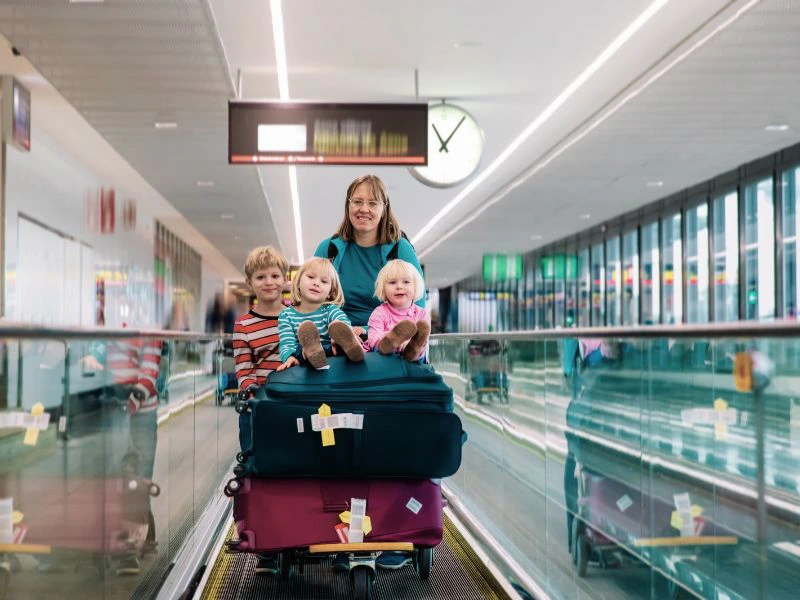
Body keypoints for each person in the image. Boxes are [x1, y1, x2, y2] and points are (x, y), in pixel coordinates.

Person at [314, 175, 423, 572]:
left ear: (384, 208)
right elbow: (313, 293)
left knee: (390, 439)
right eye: (356, 201)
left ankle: (396, 529)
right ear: (347, 205)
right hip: (342, 348)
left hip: (388, 351)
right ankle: (340, 526)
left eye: (372, 203)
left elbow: (416, 297)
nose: (364, 209)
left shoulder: (399, 248)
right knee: (339, 441)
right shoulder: (331, 249)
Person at [232, 245, 288, 576]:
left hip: (293, 404)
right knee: (258, 469)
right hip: (260, 408)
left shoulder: (296, 315)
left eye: (275, 276)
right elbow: (244, 368)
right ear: (250, 283)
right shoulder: (244, 325)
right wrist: (255, 394)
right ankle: (265, 543)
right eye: (261, 277)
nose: (269, 282)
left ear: (285, 280)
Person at [277, 257, 364, 371]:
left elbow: (342, 323)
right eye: (311, 277)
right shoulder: (286, 315)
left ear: (330, 292)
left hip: (332, 352)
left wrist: (344, 332)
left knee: (340, 337)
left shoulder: (330, 310)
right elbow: (286, 343)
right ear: (298, 282)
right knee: (302, 351)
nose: (316, 283)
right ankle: (312, 351)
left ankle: (351, 347)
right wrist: (290, 357)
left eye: (324, 281)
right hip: (303, 355)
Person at [366, 259, 431, 362]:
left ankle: (412, 349)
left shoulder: (422, 314)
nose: (399, 286)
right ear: (383, 288)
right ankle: (391, 341)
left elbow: (425, 342)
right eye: (392, 282)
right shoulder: (379, 312)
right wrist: (393, 339)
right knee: (377, 345)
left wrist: (408, 343)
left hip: (415, 360)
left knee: (420, 345)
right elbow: (372, 339)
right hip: (385, 359)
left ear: (415, 286)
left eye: (406, 282)